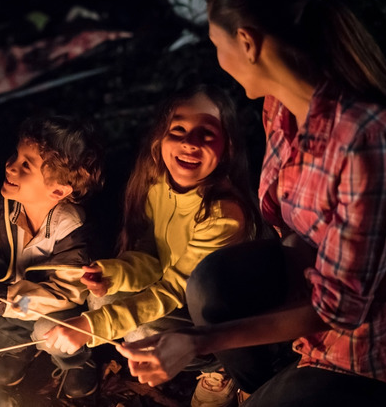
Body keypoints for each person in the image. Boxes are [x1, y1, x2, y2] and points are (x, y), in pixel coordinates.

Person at [116, 0, 386, 406]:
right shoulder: (281, 109)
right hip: (314, 287)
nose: (216, 57)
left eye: (216, 44)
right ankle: (269, 386)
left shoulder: (369, 139)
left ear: (246, 42)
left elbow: (342, 310)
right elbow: (294, 230)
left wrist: (198, 342)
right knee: (213, 284)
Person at [41, 80, 269, 406]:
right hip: (186, 297)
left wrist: (90, 328)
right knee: (101, 301)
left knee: (138, 332)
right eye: (178, 130)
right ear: (160, 139)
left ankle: (220, 365)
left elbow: (174, 288)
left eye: (207, 133)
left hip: (227, 316)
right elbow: (153, 256)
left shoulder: (224, 214)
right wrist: (113, 274)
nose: (190, 143)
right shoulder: (160, 186)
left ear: (227, 147)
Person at [0, 114, 104, 399]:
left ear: (58, 190)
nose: (10, 166)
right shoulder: (7, 208)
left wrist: (1, 298)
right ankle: (18, 349)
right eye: (16, 155)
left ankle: (75, 361)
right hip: (20, 304)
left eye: (27, 165)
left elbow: (66, 295)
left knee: (48, 329)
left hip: (64, 315)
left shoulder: (71, 230)